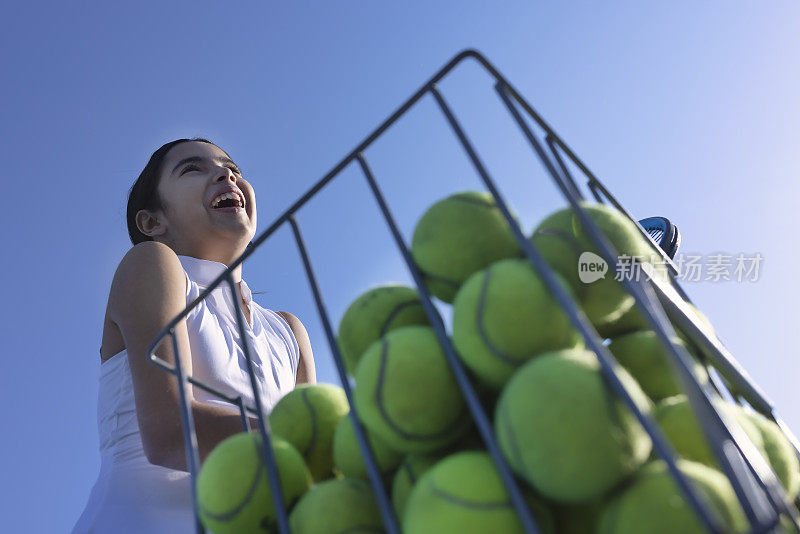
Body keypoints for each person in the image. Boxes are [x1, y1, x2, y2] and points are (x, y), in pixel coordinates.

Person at [72, 138, 316, 533]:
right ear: (153, 222)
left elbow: (310, 473)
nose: (227, 174)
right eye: (193, 168)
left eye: (232, 166)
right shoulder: (151, 263)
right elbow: (170, 431)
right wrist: (330, 441)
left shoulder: (289, 330)